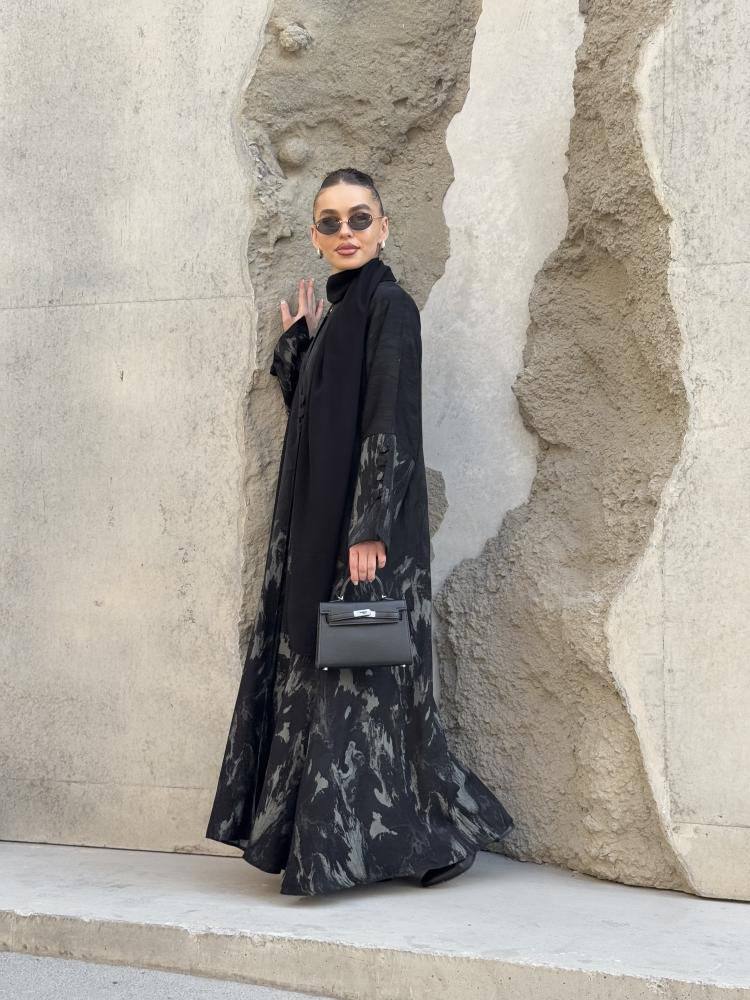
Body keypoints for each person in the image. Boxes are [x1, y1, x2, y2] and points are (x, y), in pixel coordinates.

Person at [205, 167, 514, 895]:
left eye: (359, 218)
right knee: (337, 687)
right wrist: (301, 349)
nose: (345, 232)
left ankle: (432, 841)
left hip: (368, 538)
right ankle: (366, 848)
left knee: (366, 691)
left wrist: (370, 526)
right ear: (316, 236)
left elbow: (389, 418)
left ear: (383, 228)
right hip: (321, 530)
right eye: (330, 221)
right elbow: (316, 423)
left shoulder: (390, 307)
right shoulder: (341, 315)